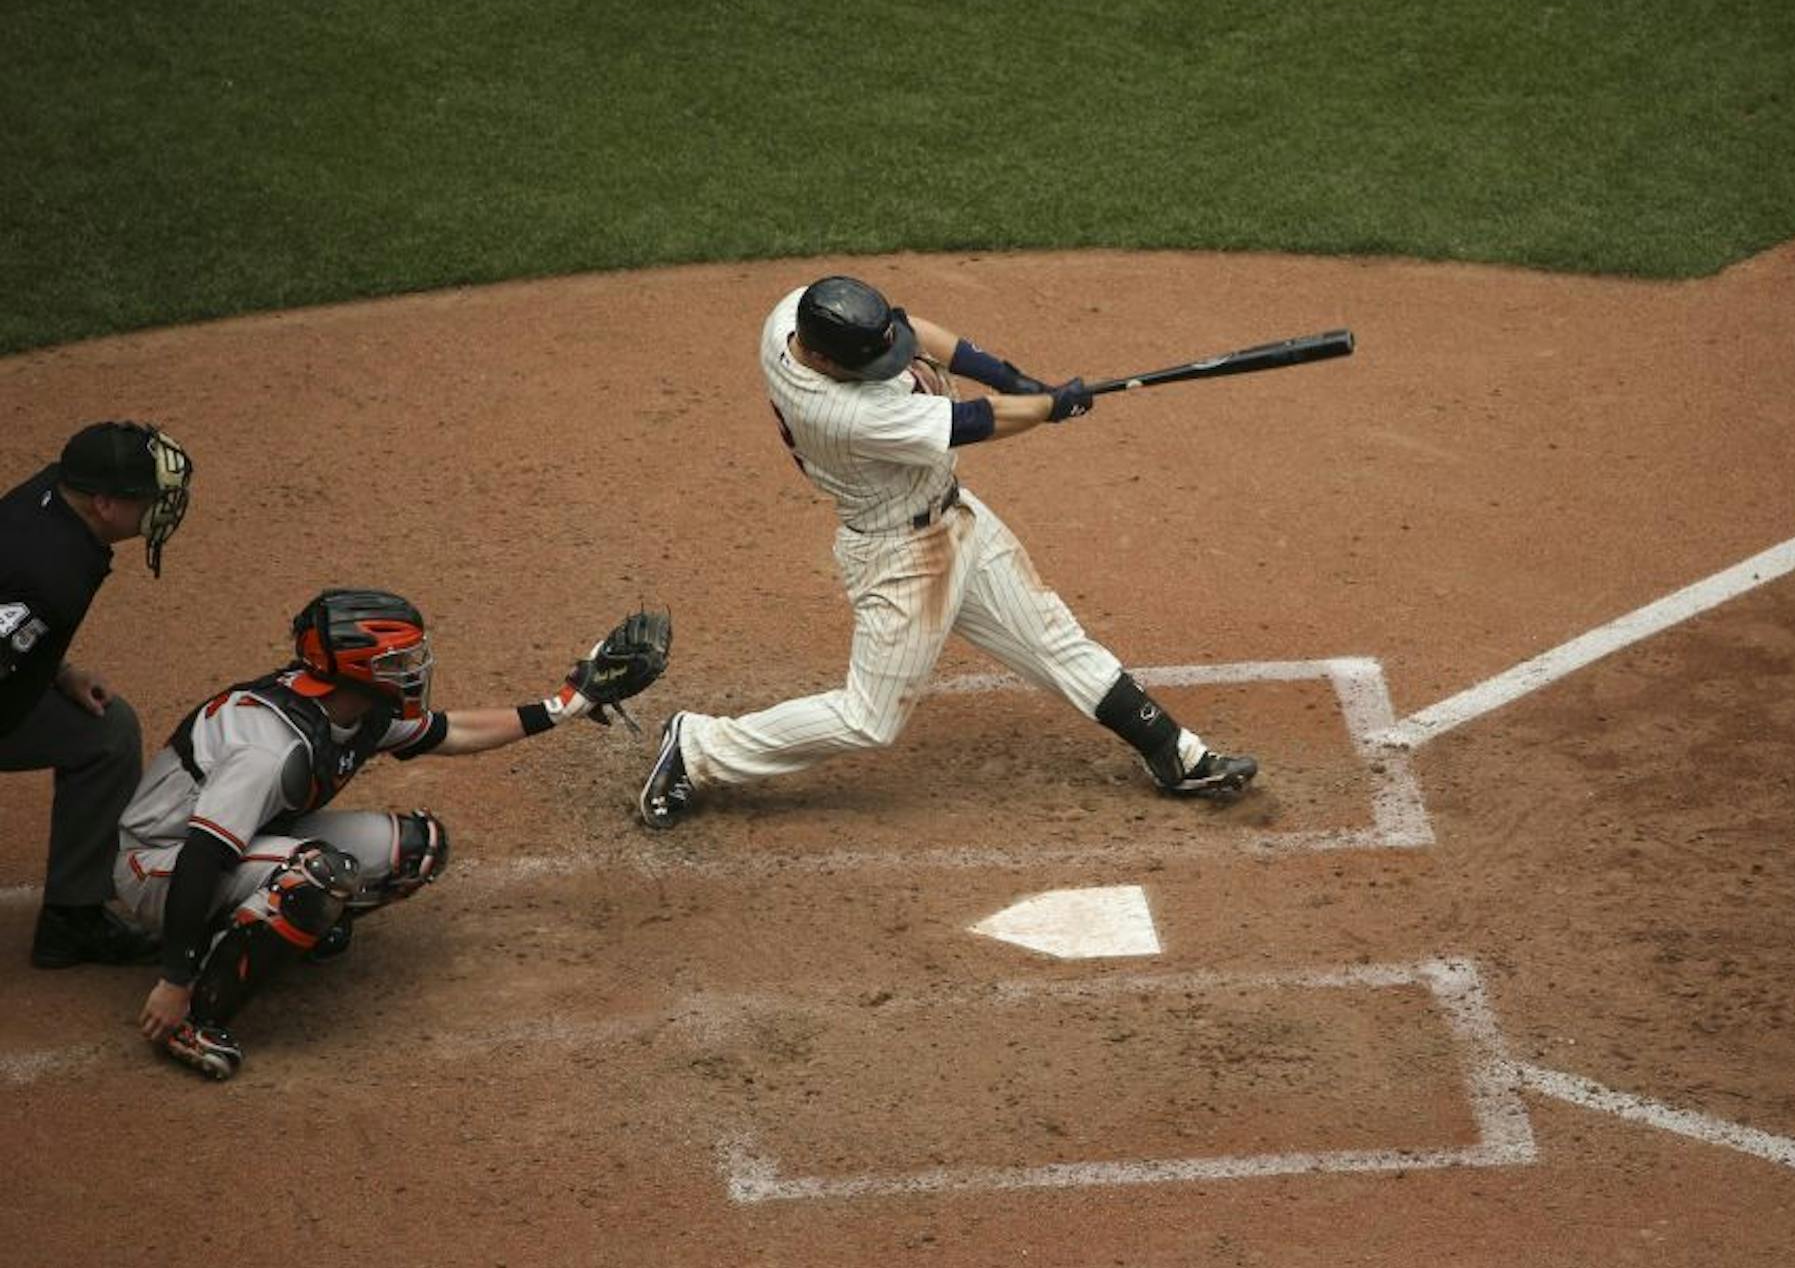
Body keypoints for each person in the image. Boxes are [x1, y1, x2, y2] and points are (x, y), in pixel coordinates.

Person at [638, 274, 1257, 831]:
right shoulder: (846, 416)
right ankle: (697, 747)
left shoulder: (795, 315)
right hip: (901, 556)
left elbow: (914, 332)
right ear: (824, 361)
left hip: (955, 514)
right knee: (869, 720)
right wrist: (1047, 406)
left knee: (1055, 641)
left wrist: (1012, 377)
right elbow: (976, 423)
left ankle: (1177, 756)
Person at [117, 587, 667, 1079]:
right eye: (398, 660)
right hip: (159, 866)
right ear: (360, 668)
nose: (415, 667)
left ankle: (264, 930)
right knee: (315, 879)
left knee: (416, 849)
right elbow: (201, 857)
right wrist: (174, 978)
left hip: (247, 838)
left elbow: (453, 732)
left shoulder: (354, 707)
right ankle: (192, 1016)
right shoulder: (269, 748)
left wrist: (564, 704)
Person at [1, 420, 192, 968]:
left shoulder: (53, 494)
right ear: (106, 504)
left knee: (103, 733)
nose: (163, 508)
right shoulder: (49, 570)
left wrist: (56, 671)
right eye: (150, 499)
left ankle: (73, 919)